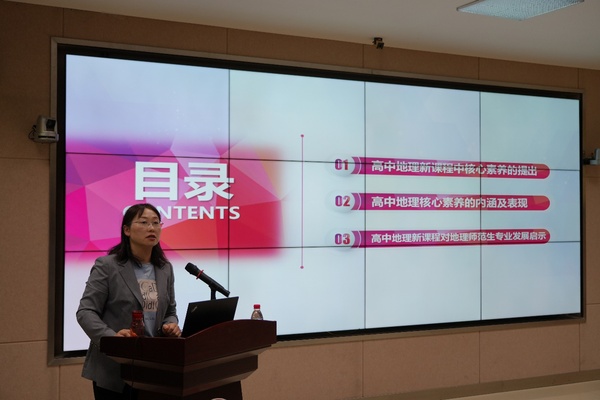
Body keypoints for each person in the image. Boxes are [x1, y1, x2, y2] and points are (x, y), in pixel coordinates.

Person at [77, 203, 181, 400]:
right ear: (126, 230)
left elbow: (170, 311)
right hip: (114, 368)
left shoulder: (164, 268)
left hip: (153, 367)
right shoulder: (108, 266)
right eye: (144, 222)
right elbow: (86, 312)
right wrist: (111, 338)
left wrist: (170, 325)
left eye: (156, 223)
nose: (151, 228)